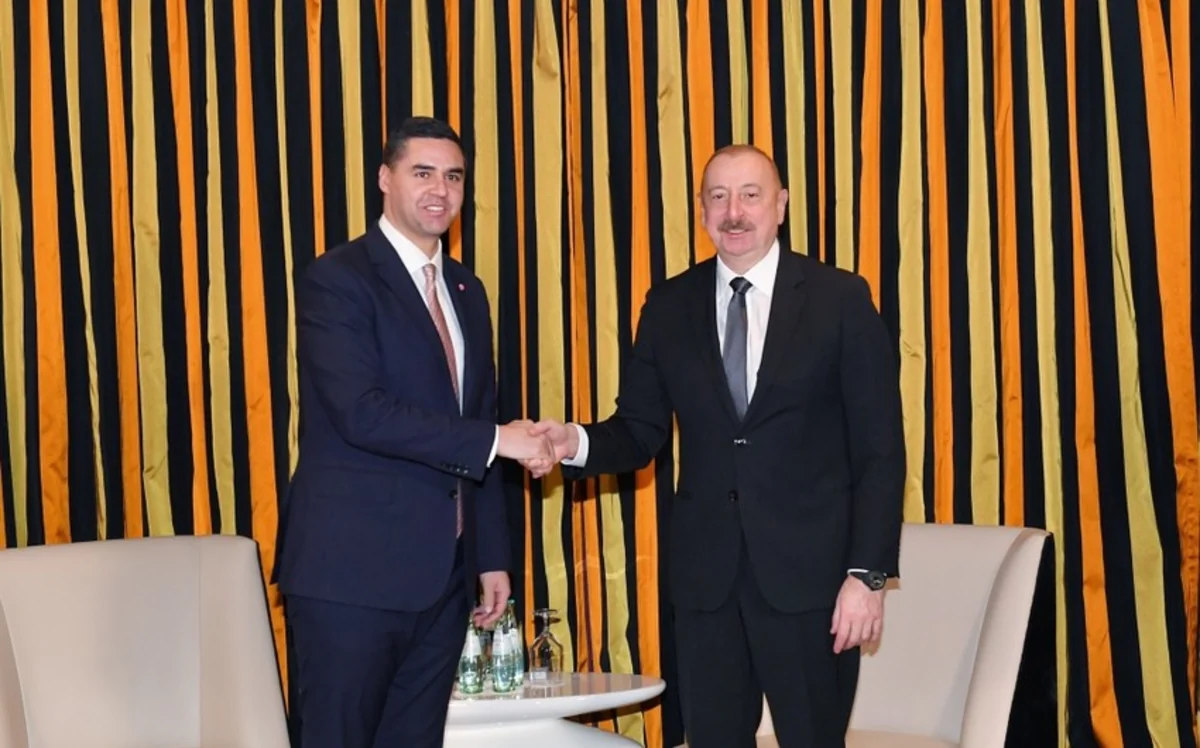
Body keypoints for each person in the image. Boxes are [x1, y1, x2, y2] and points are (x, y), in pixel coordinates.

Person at [527, 144, 906, 747]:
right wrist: (571, 441)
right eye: (719, 197)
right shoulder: (668, 305)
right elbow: (639, 430)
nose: (735, 212)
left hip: (812, 586)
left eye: (751, 195)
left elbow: (880, 451)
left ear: (780, 205)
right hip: (707, 587)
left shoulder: (840, 300)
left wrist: (867, 576)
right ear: (702, 211)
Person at [275, 116, 552, 747]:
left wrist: (491, 558)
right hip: (350, 578)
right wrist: (498, 439)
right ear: (384, 178)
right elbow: (362, 412)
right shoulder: (338, 278)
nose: (440, 190)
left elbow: (477, 416)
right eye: (422, 173)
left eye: (453, 177)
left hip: (445, 582)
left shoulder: (467, 290)